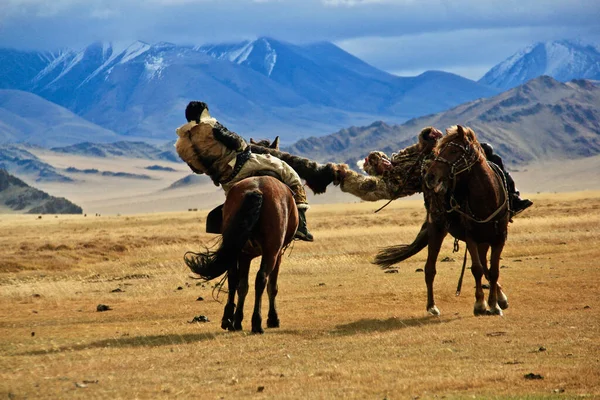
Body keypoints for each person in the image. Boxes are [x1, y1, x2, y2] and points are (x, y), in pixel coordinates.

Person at [174, 101, 314, 241]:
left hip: (226, 181)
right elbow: (238, 143)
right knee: (287, 171)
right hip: (244, 165)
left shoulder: (181, 145)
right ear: (204, 112)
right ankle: (301, 224)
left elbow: (197, 170)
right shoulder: (210, 125)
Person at [335, 127, 443, 201]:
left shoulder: (430, 164)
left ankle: (343, 175)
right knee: (375, 155)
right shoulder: (418, 151)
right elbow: (408, 151)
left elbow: (408, 182)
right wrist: (427, 133)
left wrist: (391, 169)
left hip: (393, 186)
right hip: (389, 171)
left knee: (368, 185)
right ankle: (370, 169)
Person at [480, 142, 533, 215]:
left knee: (506, 176)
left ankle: (515, 200)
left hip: (497, 178)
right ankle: (515, 200)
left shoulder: (494, 159)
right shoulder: (479, 161)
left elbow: (501, 171)